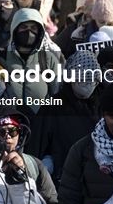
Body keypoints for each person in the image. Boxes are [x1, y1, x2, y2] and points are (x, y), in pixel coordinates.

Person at [0, 8, 64, 150]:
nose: (29, 32)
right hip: (5, 129)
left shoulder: (47, 59)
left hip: (40, 129)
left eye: (33, 28)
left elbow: (57, 94)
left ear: (40, 31)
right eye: (23, 27)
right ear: (15, 29)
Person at [33, 51, 102, 187]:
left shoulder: (102, 105)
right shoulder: (53, 105)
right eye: (82, 78)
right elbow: (37, 145)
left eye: (92, 79)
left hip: (97, 181)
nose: (87, 84)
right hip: (63, 181)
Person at [0, 110, 59, 204]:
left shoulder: (34, 164)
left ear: (20, 133)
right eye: (0, 132)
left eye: (13, 131)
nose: (8, 136)